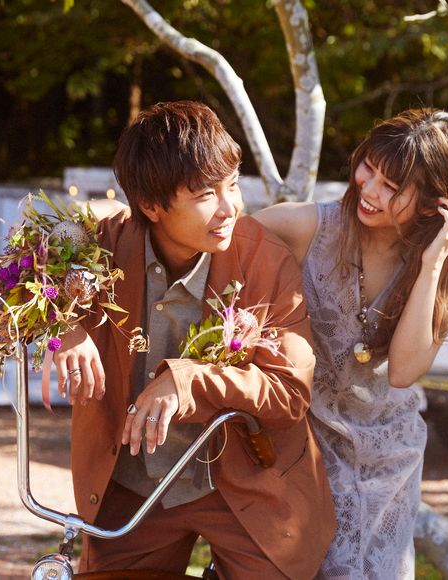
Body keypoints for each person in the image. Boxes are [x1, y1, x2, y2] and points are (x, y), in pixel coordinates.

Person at [53, 100, 336, 579]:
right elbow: (11, 286)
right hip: (132, 488)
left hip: (248, 489)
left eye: (232, 185)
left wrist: (188, 381)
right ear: (151, 206)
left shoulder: (265, 260)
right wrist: (64, 326)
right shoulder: (99, 245)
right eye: (206, 194)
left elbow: (290, 393)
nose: (230, 208)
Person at [254, 108, 448, 579]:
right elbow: (216, 243)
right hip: (305, 443)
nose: (369, 189)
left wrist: (431, 265)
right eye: (370, 168)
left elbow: (403, 371)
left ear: (434, 204)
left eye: (392, 186)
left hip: (389, 459)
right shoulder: (306, 227)